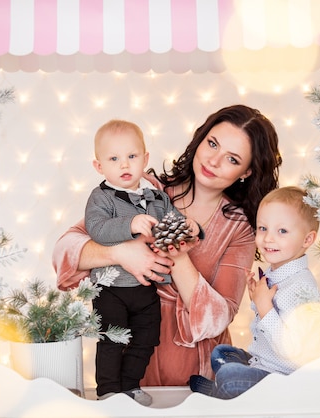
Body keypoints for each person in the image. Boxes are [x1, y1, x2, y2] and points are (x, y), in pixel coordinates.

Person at [52, 104, 282, 388]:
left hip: (194, 370)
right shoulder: (146, 189)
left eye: (232, 159)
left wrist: (181, 259)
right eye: (212, 143)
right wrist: (120, 253)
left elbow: (218, 319)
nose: (213, 160)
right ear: (200, 139)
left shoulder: (241, 229)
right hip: (129, 356)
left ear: (247, 171)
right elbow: (65, 249)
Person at [85, 119, 200, 405]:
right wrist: (131, 223)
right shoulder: (101, 198)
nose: (124, 165)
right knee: (113, 340)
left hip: (146, 288)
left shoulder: (157, 197)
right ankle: (109, 391)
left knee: (146, 339)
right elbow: (96, 229)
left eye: (132, 157)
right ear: (99, 166)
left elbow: (172, 222)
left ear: (145, 159)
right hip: (110, 288)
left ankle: (130, 385)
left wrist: (191, 228)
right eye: (114, 159)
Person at [189, 186, 320, 399]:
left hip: (283, 377)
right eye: (262, 228)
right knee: (222, 353)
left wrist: (264, 307)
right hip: (262, 362)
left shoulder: (301, 288)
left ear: (307, 239)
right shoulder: (275, 272)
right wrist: (255, 299)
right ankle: (228, 388)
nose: (268, 238)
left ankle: (222, 391)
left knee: (231, 374)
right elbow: (262, 329)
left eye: (282, 231)